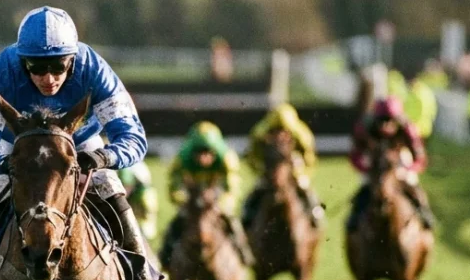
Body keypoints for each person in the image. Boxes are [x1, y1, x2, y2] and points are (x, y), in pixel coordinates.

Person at [0, 6, 167, 280]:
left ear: (72, 59)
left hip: (80, 146)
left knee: (112, 191)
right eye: (36, 67)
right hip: (19, 150)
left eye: (58, 66)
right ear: (22, 61)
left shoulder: (93, 68)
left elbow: (132, 137)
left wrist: (104, 158)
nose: (48, 78)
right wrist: (2, 164)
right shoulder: (2, 71)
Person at [159, 121, 253, 267]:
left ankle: (243, 252)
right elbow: (173, 185)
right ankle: (165, 259)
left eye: (208, 153)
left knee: (232, 222)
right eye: (199, 153)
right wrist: (182, 199)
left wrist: (222, 204)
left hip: (215, 198)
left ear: (215, 151)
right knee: (175, 225)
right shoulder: (181, 159)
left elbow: (232, 187)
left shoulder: (227, 159)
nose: (204, 159)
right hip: (192, 199)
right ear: (192, 152)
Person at [347, 97, 434, 230]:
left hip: (400, 162)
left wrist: (408, 169)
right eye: (382, 120)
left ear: (397, 119)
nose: (385, 125)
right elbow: (354, 154)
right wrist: (365, 167)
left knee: (413, 185)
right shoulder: (365, 127)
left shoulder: (408, 129)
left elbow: (420, 157)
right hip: (374, 163)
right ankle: (354, 219)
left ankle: (424, 213)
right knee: (365, 187)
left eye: (389, 120)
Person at [242, 102, 324, 228]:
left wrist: (300, 171)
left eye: (284, 132)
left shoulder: (302, 136)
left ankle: (315, 214)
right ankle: (246, 216)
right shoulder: (259, 135)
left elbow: (310, 158)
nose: (280, 136)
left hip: (295, 170)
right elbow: (251, 157)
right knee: (257, 190)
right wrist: (261, 169)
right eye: (276, 132)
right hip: (268, 171)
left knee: (305, 187)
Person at [118, 161, 158, 242]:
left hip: (141, 198)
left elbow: (127, 185)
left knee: (137, 232)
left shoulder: (124, 164)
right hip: (148, 195)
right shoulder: (133, 159)